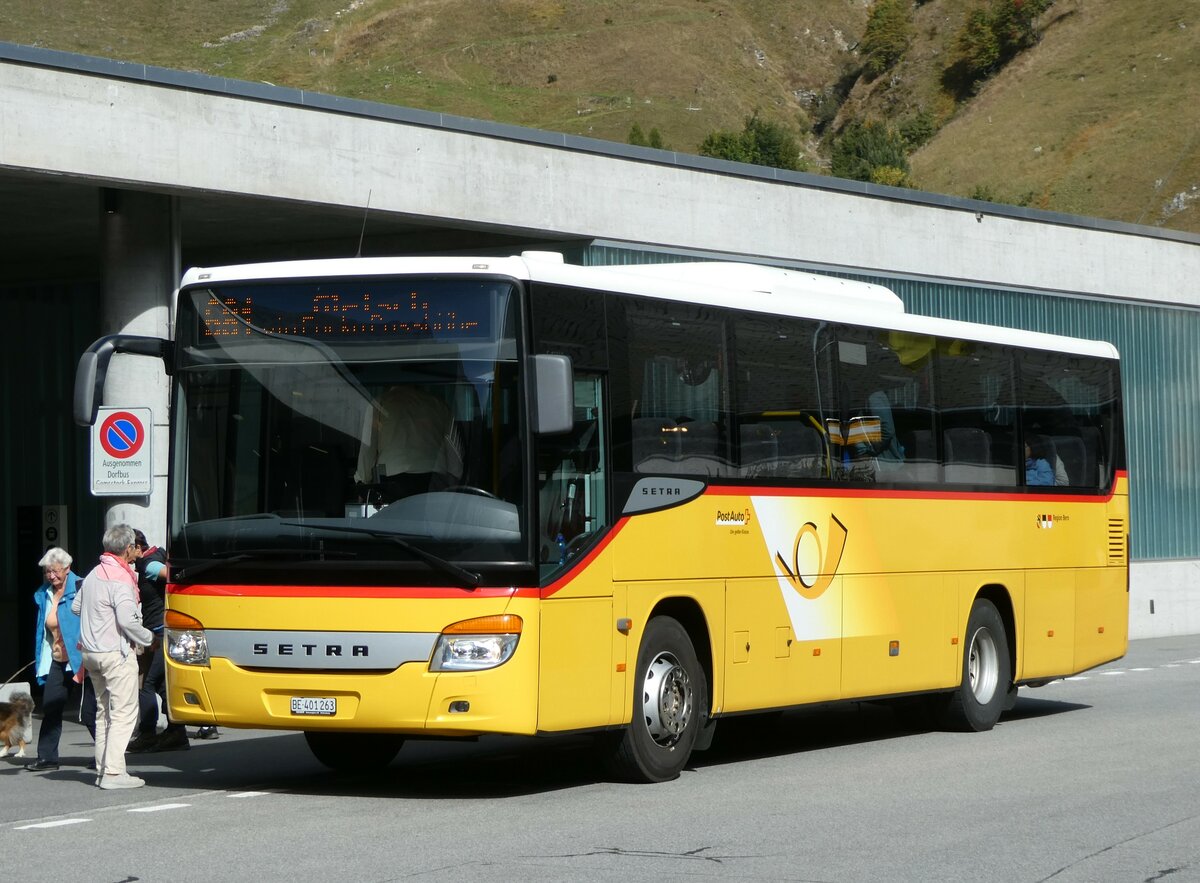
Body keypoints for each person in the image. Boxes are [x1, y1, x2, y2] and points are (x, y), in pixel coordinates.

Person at [72, 524, 154, 789]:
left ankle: (102, 769)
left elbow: (76, 607)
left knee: (102, 711)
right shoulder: (120, 579)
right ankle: (114, 773)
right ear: (128, 549)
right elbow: (127, 622)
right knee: (124, 713)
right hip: (116, 654)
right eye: (133, 548)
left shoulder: (94, 574)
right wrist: (149, 638)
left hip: (91, 655)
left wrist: (94, 619)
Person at [25, 547, 96, 772]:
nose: (51, 576)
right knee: (51, 705)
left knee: (90, 712)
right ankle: (47, 758)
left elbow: (93, 622)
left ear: (67, 569)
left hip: (83, 658)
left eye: (55, 571)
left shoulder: (82, 587)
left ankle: (106, 755)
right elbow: (43, 631)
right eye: (47, 572)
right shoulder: (44, 594)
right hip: (58, 658)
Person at [126, 530, 190, 753]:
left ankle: (147, 733)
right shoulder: (156, 556)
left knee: (146, 683)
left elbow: (171, 574)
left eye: (129, 549)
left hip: (162, 632)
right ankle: (177, 732)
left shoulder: (149, 564)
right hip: (160, 630)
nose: (129, 557)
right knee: (163, 684)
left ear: (137, 547)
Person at [355, 385, 464, 502]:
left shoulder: (379, 404)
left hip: (393, 481)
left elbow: (367, 451)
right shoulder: (439, 404)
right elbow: (455, 464)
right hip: (433, 481)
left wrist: (362, 485)